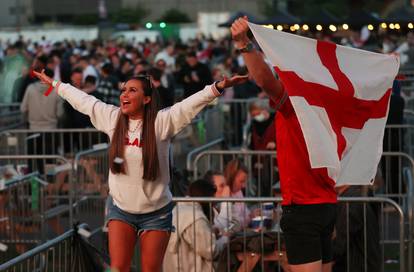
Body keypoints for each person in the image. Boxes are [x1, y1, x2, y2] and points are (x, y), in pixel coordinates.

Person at [33, 69, 248, 272]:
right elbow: (84, 101)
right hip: (121, 210)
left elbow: (188, 105)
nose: (124, 94)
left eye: (132, 90)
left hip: (157, 213)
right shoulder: (113, 117)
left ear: (147, 99)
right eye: (124, 89)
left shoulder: (161, 122)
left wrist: (218, 87)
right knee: (118, 268)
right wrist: (55, 84)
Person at [231, 17, 337, 272]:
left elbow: (264, 79)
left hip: (303, 207)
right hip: (328, 203)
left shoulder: (296, 104)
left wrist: (244, 44)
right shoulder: (328, 102)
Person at [163, 179, 229, 272]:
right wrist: (225, 239)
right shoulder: (195, 218)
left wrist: (211, 232)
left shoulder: (178, 210)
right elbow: (211, 250)